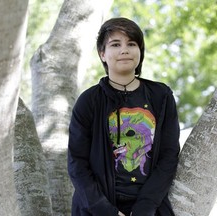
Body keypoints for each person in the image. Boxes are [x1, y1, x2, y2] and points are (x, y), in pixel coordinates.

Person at [67, 17, 180, 216]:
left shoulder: (161, 96)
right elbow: (77, 163)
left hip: (151, 208)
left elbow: (168, 156)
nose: (124, 50)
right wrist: (106, 211)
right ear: (102, 54)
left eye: (132, 44)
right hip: (97, 208)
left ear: (140, 51)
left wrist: (145, 208)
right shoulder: (89, 101)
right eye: (115, 44)